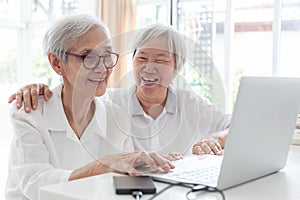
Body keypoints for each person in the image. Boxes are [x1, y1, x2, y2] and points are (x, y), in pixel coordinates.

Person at [5, 15, 174, 200]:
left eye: (107, 56)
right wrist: (101, 166)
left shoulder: (116, 115)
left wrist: (156, 165)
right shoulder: (30, 113)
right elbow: (34, 183)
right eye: (89, 57)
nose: (103, 68)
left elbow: (123, 180)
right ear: (56, 63)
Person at [8, 24, 230, 157]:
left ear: (176, 68)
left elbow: (239, 127)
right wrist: (37, 89)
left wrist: (216, 138)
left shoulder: (192, 104)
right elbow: (71, 97)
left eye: (161, 60)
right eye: (142, 57)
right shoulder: (109, 102)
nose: (149, 66)